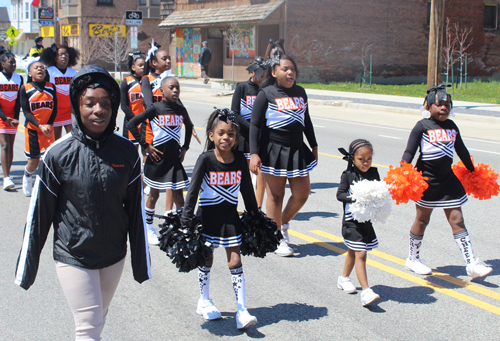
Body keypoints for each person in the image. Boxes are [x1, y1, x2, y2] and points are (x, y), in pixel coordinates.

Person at [14, 65, 151, 340]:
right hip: (74, 253)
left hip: (114, 255)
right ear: (77, 106)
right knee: (88, 326)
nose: (98, 110)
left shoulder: (127, 152)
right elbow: (39, 215)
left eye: (105, 103)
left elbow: (136, 211)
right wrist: (26, 270)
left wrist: (140, 262)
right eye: (90, 103)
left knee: (99, 317)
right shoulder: (57, 153)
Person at [401, 84, 492, 278]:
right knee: (422, 220)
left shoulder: (452, 126)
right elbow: (409, 151)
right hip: (426, 182)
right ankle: (413, 258)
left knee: (457, 219)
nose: (444, 108)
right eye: (439, 104)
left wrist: (473, 171)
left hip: (448, 181)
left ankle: (471, 263)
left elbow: (462, 151)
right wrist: (403, 172)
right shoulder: (422, 126)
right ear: (428, 107)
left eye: (447, 105)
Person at [181, 108, 259, 329]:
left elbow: (247, 192)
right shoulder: (205, 159)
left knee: (235, 260)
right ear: (211, 135)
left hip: (230, 219)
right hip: (207, 218)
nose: (226, 137)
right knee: (207, 260)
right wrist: (186, 221)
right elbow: (193, 191)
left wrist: (255, 217)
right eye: (222, 133)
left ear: (236, 138)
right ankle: (204, 300)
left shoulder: (240, 161)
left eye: (231, 134)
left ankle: (242, 309)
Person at [249, 54, 318, 257]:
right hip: (274, 150)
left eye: (293, 69)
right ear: (274, 72)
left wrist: (313, 144)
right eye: (285, 69)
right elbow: (255, 125)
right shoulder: (266, 94)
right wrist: (254, 153)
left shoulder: (301, 93)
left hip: (297, 149)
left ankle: (283, 222)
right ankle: (276, 237)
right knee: (276, 195)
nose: (290, 72)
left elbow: (307, 120)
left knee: (302, 193)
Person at [128, 77, 193, 246]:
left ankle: (183, 228)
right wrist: (146, 146)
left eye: (177, 87)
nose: (175, 90)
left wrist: (185, 147)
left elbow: (190, 126)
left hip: (174, 160)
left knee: (179, 195)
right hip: (157, 160)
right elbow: (132, 124)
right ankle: (148, 227)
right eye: (171, 87)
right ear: (162, 91)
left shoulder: (180, 109)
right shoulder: (155, 108)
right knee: (154, 195)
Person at [336, 139, 381, 306]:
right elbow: (339, 195)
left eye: (369, 158)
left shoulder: (374, 173)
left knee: (352, 251)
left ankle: (344, 278)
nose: (366, 162)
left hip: (366, 221)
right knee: (361, 253)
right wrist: (355, 198)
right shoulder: (347, 175)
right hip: (351, 222)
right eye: (361, 159)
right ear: (353, 158)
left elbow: (378, 192)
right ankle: (366, 291)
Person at [231, 57, 268, 207]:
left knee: (261, 174)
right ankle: (232, 204)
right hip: (243, 137)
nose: (263, 79)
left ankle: (257, 209)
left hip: (260, 139)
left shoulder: (266, 90)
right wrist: (251, 127)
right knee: (241, 175)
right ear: (253, 72)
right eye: (261, 75)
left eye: (266, 76)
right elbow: (234, 113)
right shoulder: (242, 87)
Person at [20, 57, 57, 197]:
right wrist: (40, 126)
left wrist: (49, 125)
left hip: (48, 130)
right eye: (36, 68)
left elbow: (55, 109)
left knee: (48, 159)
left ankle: (42, 184)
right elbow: (26, 112)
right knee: (33, 162)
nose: (40, 69)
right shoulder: (25, 89)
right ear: (30, 73)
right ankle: (28, 175)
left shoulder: (51, 87)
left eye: (42, 67)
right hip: (33, 130)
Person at [40, 43, 80, 140]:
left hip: (70, 111)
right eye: (60, 54)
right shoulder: (49, 72)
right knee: (57, 140)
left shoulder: (73, 72)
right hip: (55, 112)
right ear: (54, 57)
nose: (64, 57)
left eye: (66, 55)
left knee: (72, 138)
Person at [0, 49, 22, 190]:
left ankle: (8, 173)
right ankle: (6, 177)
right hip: (1, 117)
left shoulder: (19, 78)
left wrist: (15, 118)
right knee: (5, 146)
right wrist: (4, 118)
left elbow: (19, 100)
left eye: (14, 62)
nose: (13, 64)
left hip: (12, 118)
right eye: (11, 62)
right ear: (2, 63)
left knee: (11, 147)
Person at [121, 51, 146, 147]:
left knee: (147, 151)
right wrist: (136, 120)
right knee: (132, 151)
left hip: (145, 123)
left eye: (144, 65)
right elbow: (124, 106)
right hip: (132, 121)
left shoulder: (148, 81)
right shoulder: (126, 82)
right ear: (133, 67)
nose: (143, 67)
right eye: (140, 65)